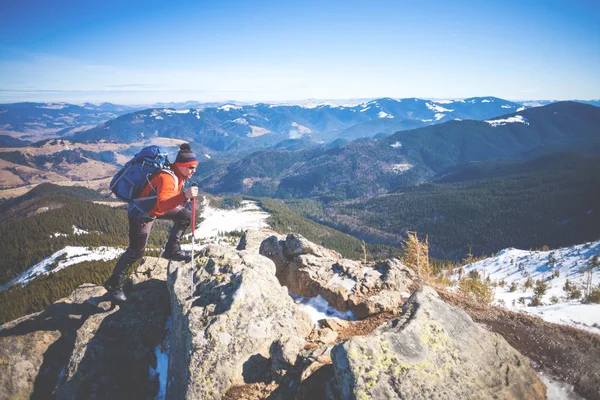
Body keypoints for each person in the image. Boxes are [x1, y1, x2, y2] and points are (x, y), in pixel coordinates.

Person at [104, 143, 199, 301]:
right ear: (181, 165)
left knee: (184, 215)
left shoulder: (179, 175)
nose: (193, 171)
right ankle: (114, 283)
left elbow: (166, 202)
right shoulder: (168, 178)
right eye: (190, 167)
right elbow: (163, 204)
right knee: (135, 251)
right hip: (142, 214)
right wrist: (184, 195)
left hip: (154, 209)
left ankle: (172, 249)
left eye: (194, 167)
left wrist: (183, 197)